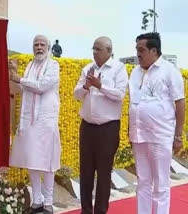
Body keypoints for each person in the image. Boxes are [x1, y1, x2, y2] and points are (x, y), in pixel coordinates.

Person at [129, 32, 185, 214]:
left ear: (154, 50)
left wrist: (178, 136)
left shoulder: (169, 71)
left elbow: (180, 103)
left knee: (161, 183)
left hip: (160, 136)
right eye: (136, 50)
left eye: (141, 50)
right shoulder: (135, 72)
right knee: (143, 181)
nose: (138, 54)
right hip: (139, 136)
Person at [74, 36, 128, 214]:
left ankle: (100, 211)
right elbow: (76, 95)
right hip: (87, 127)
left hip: (108, 128)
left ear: (109, 51)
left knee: (104, 173)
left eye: (98, 49)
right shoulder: (87, 69)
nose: (95, 52)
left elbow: (120, 95)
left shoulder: (118, 69)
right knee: (86, 171)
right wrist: (86, 87)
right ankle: (86, 210)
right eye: (93, 49)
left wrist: (100, 85)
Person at [9, 34, 61, 214]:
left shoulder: (53, 65)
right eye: (36, 44)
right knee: (32, 161)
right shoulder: (30, 66)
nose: (39, 47)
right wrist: (14, 74)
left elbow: (42, 86)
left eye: (42, 44)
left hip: (46, 121)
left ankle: (48, 203)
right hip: (29, 121)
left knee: (47, 163)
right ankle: (37, 201)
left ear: (47, 47)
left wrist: (19, 79)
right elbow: (24, 89)